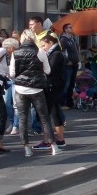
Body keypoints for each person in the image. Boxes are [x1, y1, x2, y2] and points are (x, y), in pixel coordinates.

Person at [11, 29, 58, 157]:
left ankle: (26, 148)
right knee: (44, 118)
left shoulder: (15, 53)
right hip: (37, 88)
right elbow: (47, 71)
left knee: (22, 119)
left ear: (22, 39)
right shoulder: (40, 51)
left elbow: (12, 73)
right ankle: (54, 146)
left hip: (20, 89)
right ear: (33, 38)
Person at [38, 30, 67, 147]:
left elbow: (49, 69)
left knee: (46, 113)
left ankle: (47, 140)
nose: (42, 48)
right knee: (55, 112)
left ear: (50, 43)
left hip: (53, 85)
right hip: (54, 85)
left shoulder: (56, 54)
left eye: (43, 45)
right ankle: (60, 139)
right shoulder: (55, 53)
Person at [58, 23, 80, 108]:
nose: (71, 29)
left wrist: (77, 60)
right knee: (66, 84)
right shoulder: (63, 39)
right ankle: (62, 103)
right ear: (65, 29)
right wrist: (67, 61)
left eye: (71, 27)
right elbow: (62, 52)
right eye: (70, 27)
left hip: (74, 64)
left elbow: (76, 50)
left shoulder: (73, 38)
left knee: (71, 84)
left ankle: (69, 102)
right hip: (68, 65)